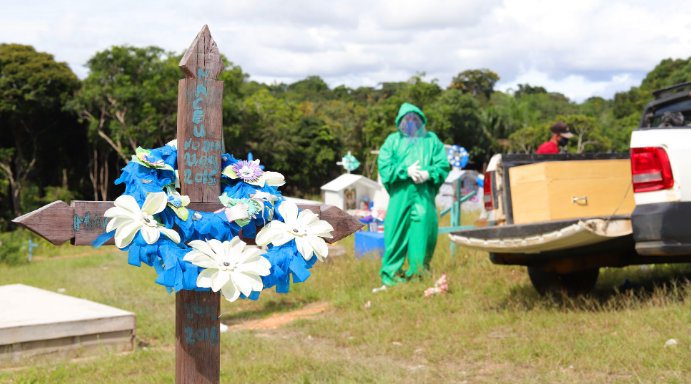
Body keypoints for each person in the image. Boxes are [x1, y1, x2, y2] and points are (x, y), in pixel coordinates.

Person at [374, 102, 450, 292]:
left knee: (423, 234)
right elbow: (384, 165)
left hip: (423, 196)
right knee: (395, 234)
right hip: (401, 196)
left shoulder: (432, 141)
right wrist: (404, 171)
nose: (410, 123)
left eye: (415, 118)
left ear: (421, 120)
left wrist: (428, 174)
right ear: (400, 121)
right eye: (406, 119)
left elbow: (442, 165)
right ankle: (391, 276)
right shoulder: (392, 141)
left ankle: (418, 275)